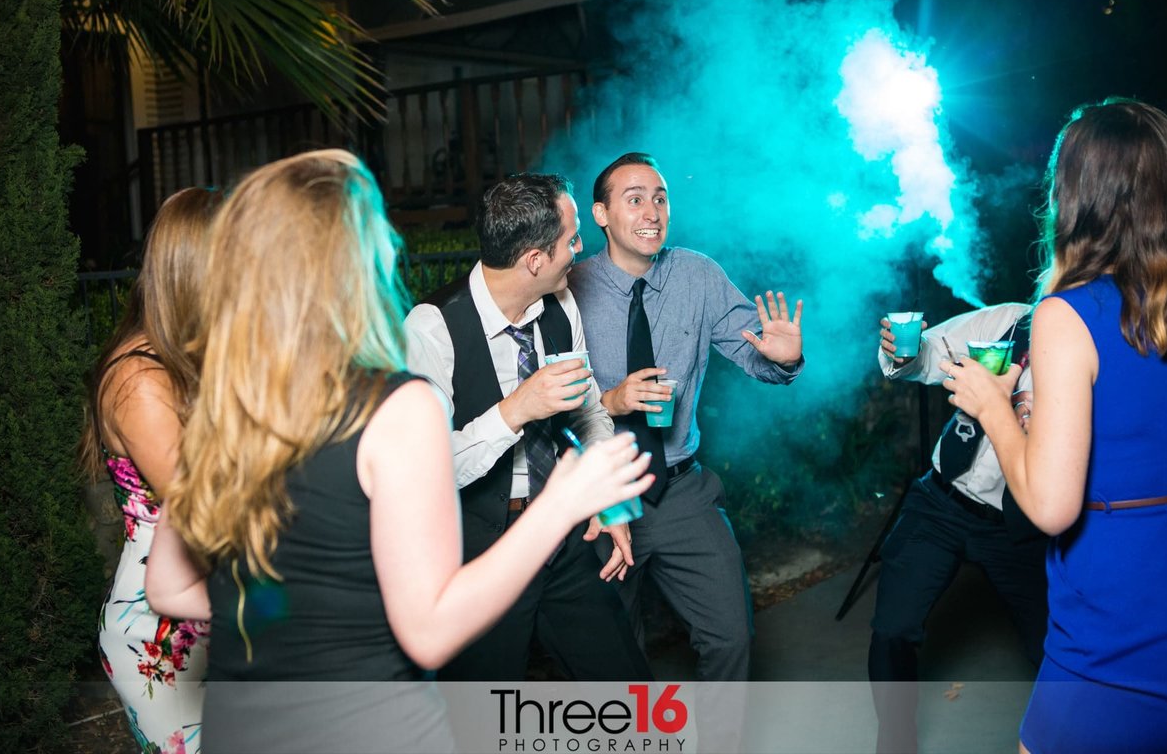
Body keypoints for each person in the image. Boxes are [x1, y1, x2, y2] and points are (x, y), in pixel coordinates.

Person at [145, 151, 652, 753]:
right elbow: (429, 632)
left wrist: (306, 609)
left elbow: (169, 588)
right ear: (357, 260)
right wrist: (563, 499)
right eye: (377, 228)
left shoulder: (221, 403)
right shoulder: (398, 396)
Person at [942, 99, 1167, 753]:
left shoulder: (1067, 314)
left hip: (1114, 622)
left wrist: (992, 406)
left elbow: (1052, 507)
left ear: (1075, 197)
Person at [568, 152, 805, 682]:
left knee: (731, 636)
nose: (652, 210)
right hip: (600, 495)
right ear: (601, 215)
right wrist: (611, 401)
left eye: (660, 198)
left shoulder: (698, 275)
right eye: (635, 199)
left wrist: (782, 359)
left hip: (681, 490)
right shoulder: (571, 290)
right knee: (615, 661)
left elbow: (755, 351)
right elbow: (546, 404)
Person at [405, 172, 651, 680]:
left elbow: (589, 411)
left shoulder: (560, 304)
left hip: (561, 537)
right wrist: (515, 409)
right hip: (477, 554)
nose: (580, 251)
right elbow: (423, 475)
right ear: (534, 260)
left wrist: (612, 503)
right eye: (572, 240)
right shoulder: (433, 327)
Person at [870, 305, 1048, 753]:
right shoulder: (1010, 321)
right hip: (940, 502)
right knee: (892, 629)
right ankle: (895, 743)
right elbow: (932, 353)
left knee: (1053, 646)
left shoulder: (1085, 359)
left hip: (1018, 525)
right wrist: (905, 352)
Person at [80, 187, 219, 754]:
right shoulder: (140, 380)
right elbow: (207, 502)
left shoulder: (193, 355)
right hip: (162, 628)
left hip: (215, 599)